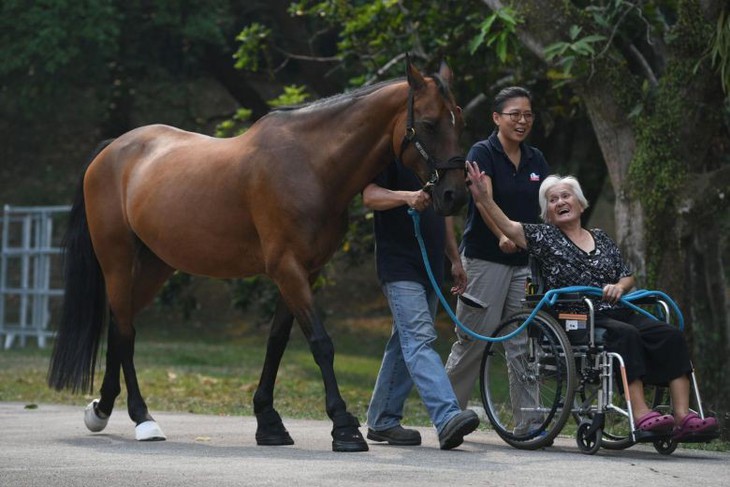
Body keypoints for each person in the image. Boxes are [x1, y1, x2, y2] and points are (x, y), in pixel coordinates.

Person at [464, 163, 720, 439]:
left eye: (566, 196)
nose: (560, 202)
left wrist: (618, 287)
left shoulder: (601, 238)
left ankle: (683, 416)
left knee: (670, 335)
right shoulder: (545, 237)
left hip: (615, 309)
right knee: (626, 336)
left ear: (581, 204)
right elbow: (509, 227)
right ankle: (642, 413)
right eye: (553, 200)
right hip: (576, 316)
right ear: (547, 213)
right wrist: (484, 198)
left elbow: (627, 277)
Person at [445, 87, 549, 433]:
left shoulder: (536, 160)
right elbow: (481, 198)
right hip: (485, 260)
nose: (522, 121)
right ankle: (447, 414)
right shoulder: (482, 152)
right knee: (475, 339)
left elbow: (545, 207)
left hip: (524, 264)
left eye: (528, 115)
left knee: (522, 342)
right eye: (514, 114)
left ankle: (529, 421)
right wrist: (503, 235)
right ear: (496, 118)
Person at [363, 158, 480, 450]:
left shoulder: (435, 161)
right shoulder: (391, 156)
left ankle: (382, 419)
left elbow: (443, 213)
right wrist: (405, 197)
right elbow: (369, 195)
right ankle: (446, 415)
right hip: (399, 265)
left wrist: (454, 258)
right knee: (419, 338)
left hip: (429, 266)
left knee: (403, 341)